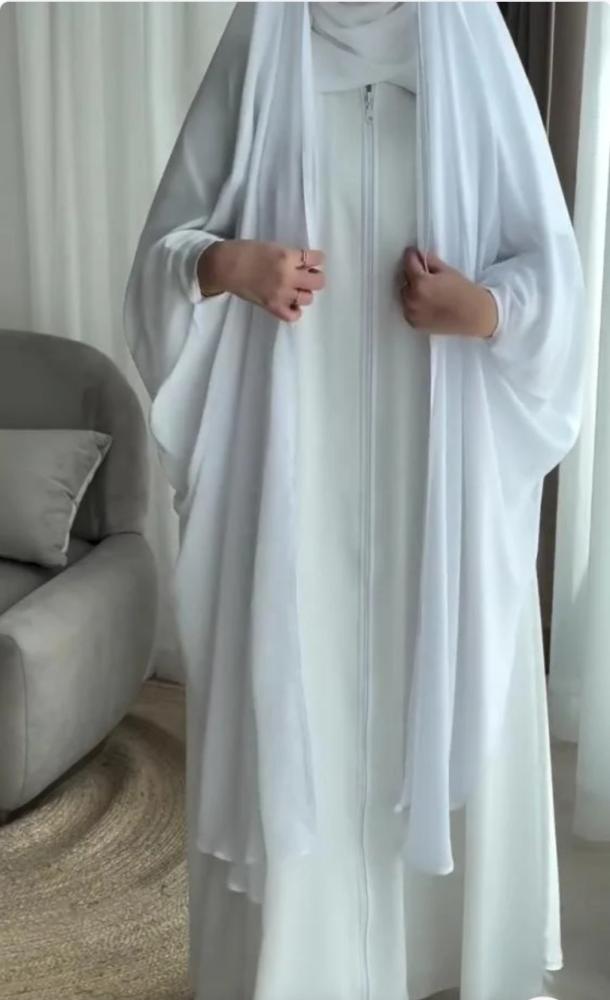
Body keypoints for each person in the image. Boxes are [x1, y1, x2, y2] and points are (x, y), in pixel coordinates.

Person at [123, 3, 585, 998]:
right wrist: (225, 266)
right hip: (291, 484)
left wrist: (485, 309)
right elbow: (161, 257)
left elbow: (558, 279)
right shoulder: (264, 45)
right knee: (309, 694)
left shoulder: (468, 50)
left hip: (441, 489)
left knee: (437, 686)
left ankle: (441, 957)